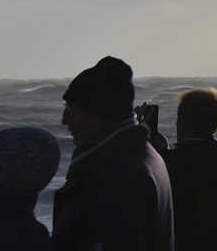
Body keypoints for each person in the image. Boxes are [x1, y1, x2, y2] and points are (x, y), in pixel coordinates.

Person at [51, 56, 174, 251]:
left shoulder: (121, 176)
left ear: (99, 113)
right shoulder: (142, 157)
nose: (65, 120)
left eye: (72, 110)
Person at [140, 88, 217, 251]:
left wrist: (148, 150)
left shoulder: (166, 164)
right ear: (216, 124)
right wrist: (163, 153)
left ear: (181, 123)